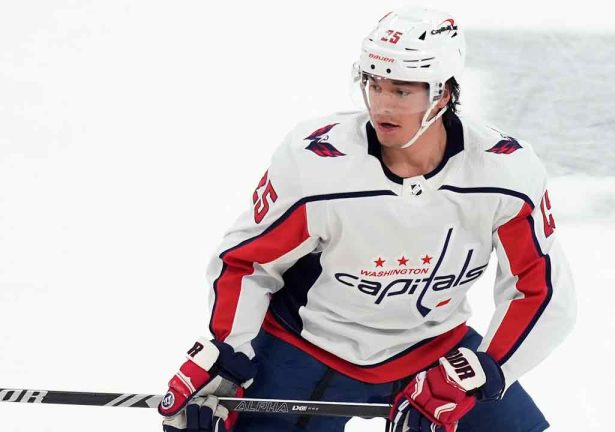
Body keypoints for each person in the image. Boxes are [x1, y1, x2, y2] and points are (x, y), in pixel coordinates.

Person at [158, 7, 576, 432]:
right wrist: (228, 353)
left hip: (434, 349)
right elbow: (246, 263)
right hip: (307, 349)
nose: (382, 105)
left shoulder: (504, 172)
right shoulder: (319, 165)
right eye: (374, 84)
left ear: (443, 94)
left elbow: (539, 288)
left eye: (401, 91)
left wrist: (482, 371)